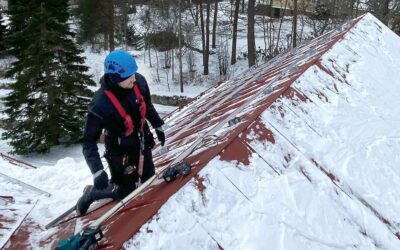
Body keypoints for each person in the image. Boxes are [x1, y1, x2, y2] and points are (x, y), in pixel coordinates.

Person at [76, 50, 165, 216]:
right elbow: (88, 141)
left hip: (141, 138)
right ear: (115, 78)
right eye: (129, 76)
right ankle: (92, 193)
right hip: (119, 150)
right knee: (125, 192)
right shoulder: (100, 105)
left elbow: (147, 105)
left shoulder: (139, 82)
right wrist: (97, 170)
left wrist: (158, 125)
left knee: (148, 180)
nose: (134, 78)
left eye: (134, 74)